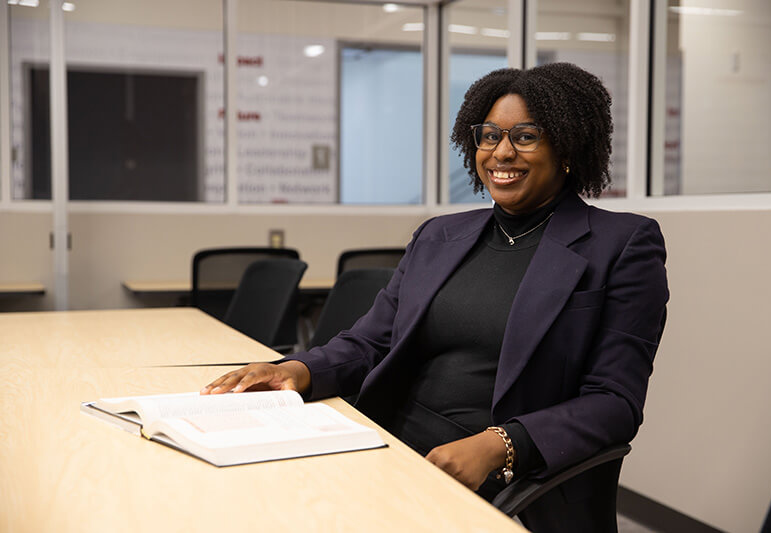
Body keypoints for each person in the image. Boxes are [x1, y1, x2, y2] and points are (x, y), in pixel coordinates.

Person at [202, 63, 669, 532]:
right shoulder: (439, 235)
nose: (501, 152)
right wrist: (294, 370)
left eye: (525, 136)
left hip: (501, 476)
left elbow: (614, 401)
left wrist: (500, 445)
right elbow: (371, 342)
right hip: (388, 446)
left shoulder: (622, 244)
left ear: (567, 146)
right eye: (489, 135)